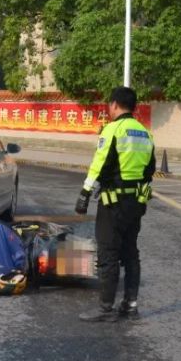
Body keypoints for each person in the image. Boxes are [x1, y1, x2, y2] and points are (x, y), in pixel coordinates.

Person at [75, 86, 156, 322]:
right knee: (131, 253)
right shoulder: (145, 133)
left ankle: (105, 308)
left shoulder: (113, 130)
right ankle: (130, 306)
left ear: (114, 105)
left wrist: (84, 194)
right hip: (136, 204)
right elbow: (149, 171)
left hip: (113, 203)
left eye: (109, 105)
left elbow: (99, 164)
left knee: (108, 253)